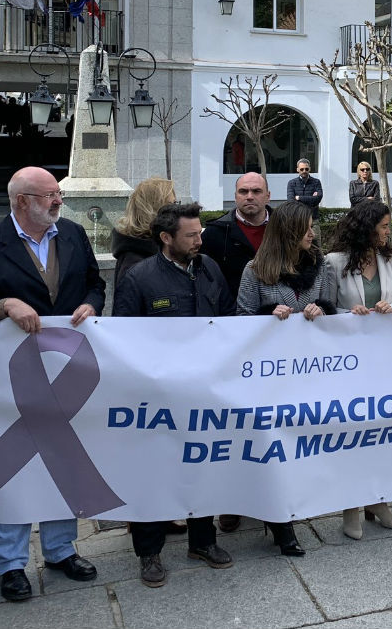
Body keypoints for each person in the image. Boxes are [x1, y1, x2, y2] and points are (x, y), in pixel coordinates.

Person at [0, 166, 104, 602]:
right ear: (21, 201)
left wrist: (91, 304)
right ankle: (11, 564)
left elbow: (94, 282)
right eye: (49, 195)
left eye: (58, 193)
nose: (58, 201)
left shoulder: (72, 233)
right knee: (12, 466)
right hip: (10, 379)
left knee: (63, 460)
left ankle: (60, 550)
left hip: (65, 373)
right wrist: (4, 304)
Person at [113, 203, 235, 587]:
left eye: (200, 233)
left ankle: (203, 540)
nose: (200, 240)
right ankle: (149, 552)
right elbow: (124, 341)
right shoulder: (139, 278)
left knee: (203, 465)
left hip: (205, 391)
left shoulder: (210, 268)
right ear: (166, 238)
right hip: (159, 399)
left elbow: (229, 319)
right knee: (153, 472)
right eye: (191, 235)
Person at [236, 200, 337, 556]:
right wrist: (268, 313)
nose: (313, 233)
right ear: (290, 231)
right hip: (270, 376)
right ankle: (282, 526)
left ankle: (294, 506)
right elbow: (240, 319)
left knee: (300, 447)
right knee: (273, 448)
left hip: (310, 373)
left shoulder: (320, 265)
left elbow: (333, 311)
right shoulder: (256, 269)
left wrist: (321, 309)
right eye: (307, 227)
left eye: (313, 226)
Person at [325, 199, 392, 538]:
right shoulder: (334, 262)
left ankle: (380, 500)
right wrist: (351, 314)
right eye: (384, 227)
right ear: (366, 227)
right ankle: (351, 507)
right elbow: (327, 309)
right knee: (354, 433)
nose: (389, 232)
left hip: (386, 359)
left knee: (384, 430)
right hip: (350, 363)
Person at [198, 171, 270, 534]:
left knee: (270, 423)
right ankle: (229, 502)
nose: (249, 197)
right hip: (231, 338)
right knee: (232, 425)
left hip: (278, 343)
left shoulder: (283, 228)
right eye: (243, 191)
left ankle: (269, 492)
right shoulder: (214, 234)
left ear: (268, 194)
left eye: (256, 191)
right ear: (234, 195)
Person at [111, 177, 177, 291]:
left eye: (176, 204)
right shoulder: (134, 263)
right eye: (171, 205)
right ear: (152, 209)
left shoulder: (163, 249)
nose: (176, 211)